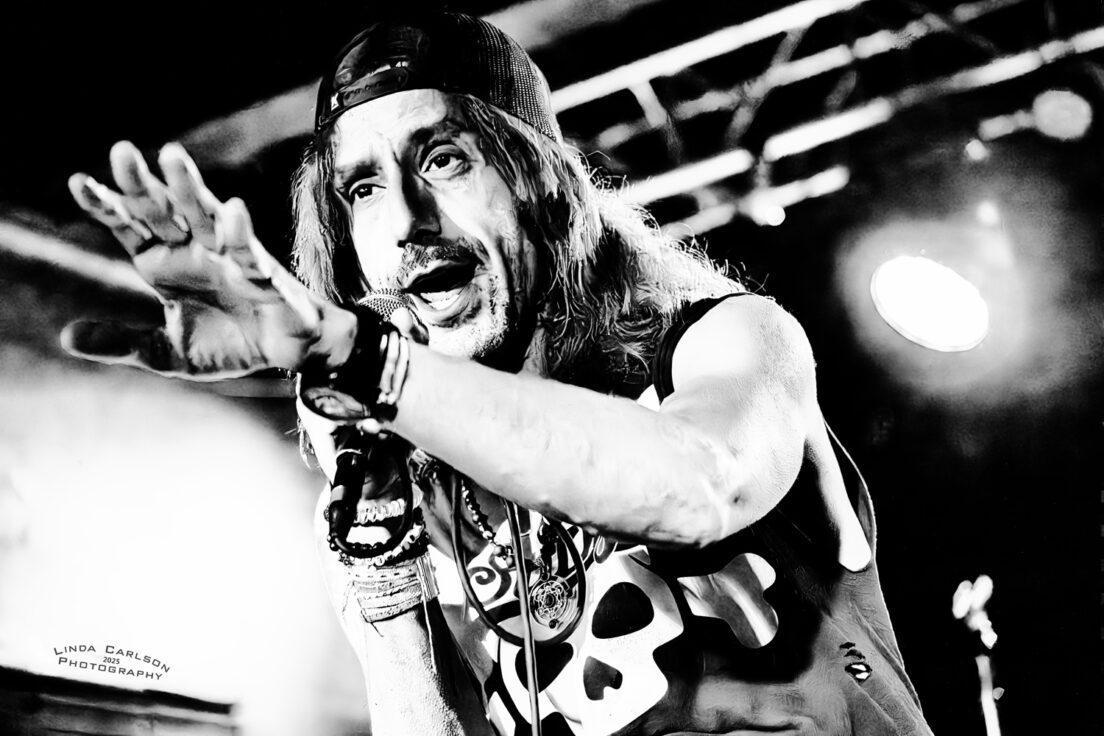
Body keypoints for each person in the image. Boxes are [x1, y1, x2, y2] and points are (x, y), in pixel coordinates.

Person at [63, 11, 933, 736]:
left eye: (443, 159)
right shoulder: (404, 486)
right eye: (362, 189)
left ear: (545, 185)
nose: (406, 221)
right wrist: (376, 530)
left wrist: (366, 360)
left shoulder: (728, 341)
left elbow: (698, 486)